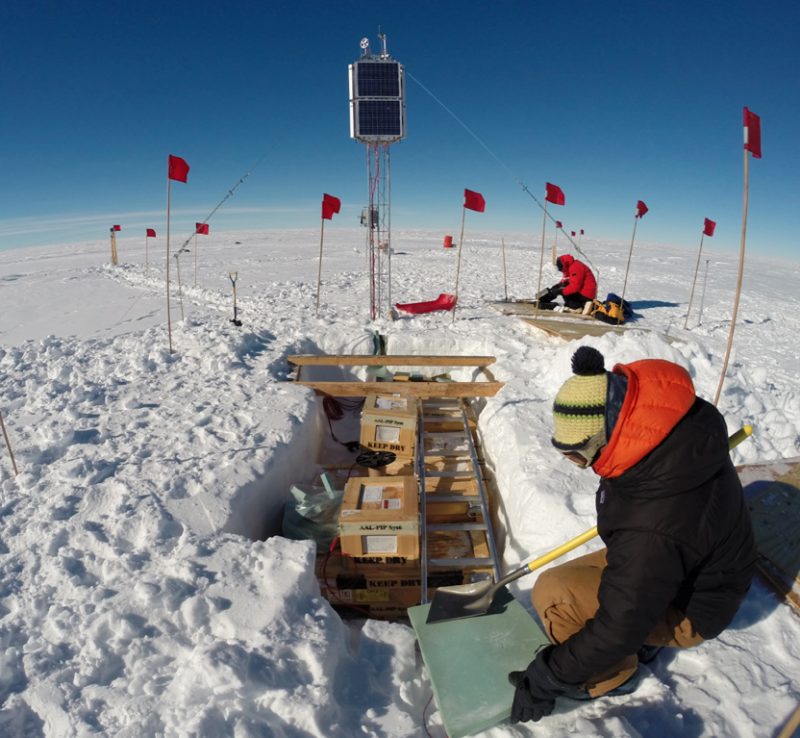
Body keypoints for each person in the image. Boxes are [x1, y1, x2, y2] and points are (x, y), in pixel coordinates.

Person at [508, 345, 757, 724]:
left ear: (606, 437)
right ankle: (642, 631)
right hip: (688, 565)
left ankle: (613, 676)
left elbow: (618, 625)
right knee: (565, 583)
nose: (575, 465)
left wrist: (548, 677)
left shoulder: (654, 523)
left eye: (576, 455)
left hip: (695, 605)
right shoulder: (663, 427)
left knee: (554, 596)